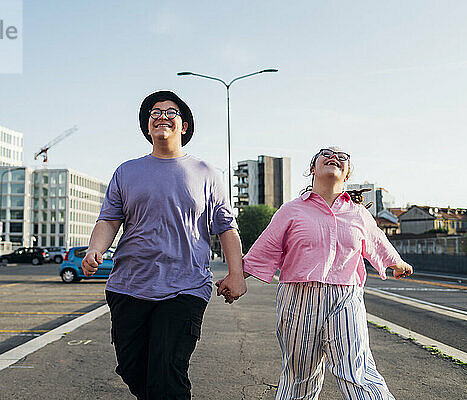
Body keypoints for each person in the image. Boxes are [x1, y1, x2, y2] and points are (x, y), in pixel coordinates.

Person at [81, 90, 246, 399]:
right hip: (129, 285)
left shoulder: (206, 173)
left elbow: (226, 228)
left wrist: (236, 273)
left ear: (183, 126)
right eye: (155, 113)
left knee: (167, 372)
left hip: (185, 286)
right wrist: (95, 249)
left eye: (171, 112)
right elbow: (108, 220)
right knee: (134, 370)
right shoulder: (126, 172)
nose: (162, 117)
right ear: (147, 127)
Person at [222, 147, 413, 400]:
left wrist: (397, 263)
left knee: (357, 371)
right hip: (298, 298)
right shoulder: (291, 210)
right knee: (300, 377)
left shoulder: (359, 214)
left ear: (346, 175)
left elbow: (378, 242)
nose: (335, 157)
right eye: (326, 154)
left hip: (346, 297)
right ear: (313, 169)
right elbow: (265, 249)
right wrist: (236, 276)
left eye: (342, 157)